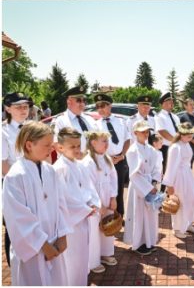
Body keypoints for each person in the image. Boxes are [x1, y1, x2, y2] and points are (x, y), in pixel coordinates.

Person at [3, 121, 71, 285]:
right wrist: (43, 245)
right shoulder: (15, 176)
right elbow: (18, 218)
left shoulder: (50, 171)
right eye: (47, 145)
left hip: (54, 242)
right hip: (33, 249)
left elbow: (60, 205)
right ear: (29, 145)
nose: (52, 149)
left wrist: (62, 235)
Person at [53, 127, 101, 286]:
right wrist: (85, 209)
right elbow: (63, 198)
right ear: (60, 147)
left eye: (78, 145)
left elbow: (89, 187)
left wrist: (93, 203)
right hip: (70, 223)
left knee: (82, 258)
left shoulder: (79, 165)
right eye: (72, 146)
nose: (76, 149)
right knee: (71, 261)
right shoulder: (59, 168)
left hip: (83, 218)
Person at [124, 120, 160, 256]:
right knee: (139, 214)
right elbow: (134, 174)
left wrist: (155, 181)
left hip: (150, 184)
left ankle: (149, 241)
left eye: (147, 131)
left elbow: (157, 166)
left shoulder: (151, 148)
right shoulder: (132, 150)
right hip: (139, 187)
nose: (146, 134)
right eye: (142, 132)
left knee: (150, 213)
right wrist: (147, 188)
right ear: (135, 133)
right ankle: (138, 242)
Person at [85, 131, 118, 272]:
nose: (107, 144)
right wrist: (99, 204)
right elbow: (89, 185)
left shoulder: (107, 159)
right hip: (95, 201)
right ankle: (93, 261)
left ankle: (105, 253)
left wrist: (113, 197)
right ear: (93, 143)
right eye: (103, 141)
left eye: (107, 141)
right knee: (94, 229)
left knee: (107, 225)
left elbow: (113, 178)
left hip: (107, 197)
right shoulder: (87, 162)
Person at [93, 93, 130, 219]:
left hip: (120, 159)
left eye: (103, 106)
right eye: (98, 107)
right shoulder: (95, 125)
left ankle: (119, 215)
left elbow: (127, 140)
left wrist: (122, 155)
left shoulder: (121, 121)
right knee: (107, 190)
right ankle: (108, 216)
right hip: (105, 161)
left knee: (119, 189)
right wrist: (107, 159)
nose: (100, 109)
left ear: (110, 106)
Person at [163, 123, 194, 239]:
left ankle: (187, 223)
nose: (191, 138)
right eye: (188, 135)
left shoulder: (186, 144)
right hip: (178, 177)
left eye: (191, 135)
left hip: (187, 175)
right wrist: (169, 184)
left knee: (191, 199)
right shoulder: (175, 147)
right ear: (181, 134)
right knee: (180, 202)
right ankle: (177, 228)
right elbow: (171, 166)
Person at [51, 86, 93, 150]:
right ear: (69, 102)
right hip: (73, 159)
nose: (82, 103)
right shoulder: (60, 121)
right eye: (78, 100)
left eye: (84, 100)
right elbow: (56, 144)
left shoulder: (90, 119)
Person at [155, 92, 181, 178]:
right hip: (165, 147)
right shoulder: (159, 116)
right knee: (165, 170)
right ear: (163, 104)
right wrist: (175, 140)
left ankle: (171, 190)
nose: (172, 103)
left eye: (172, 101)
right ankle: (162, 190)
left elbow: (180, 130)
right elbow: (162, 131)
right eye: (170, 102)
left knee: (175, 170)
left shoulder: (175, 117)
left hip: (176, 146)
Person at [179, 97, 194, 167]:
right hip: (190, 145)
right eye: (190, 104)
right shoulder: (183, 118)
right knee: (188, 167)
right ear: (185, 106)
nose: (193, 106)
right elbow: (182, 133)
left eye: (193, 104)